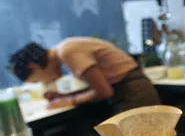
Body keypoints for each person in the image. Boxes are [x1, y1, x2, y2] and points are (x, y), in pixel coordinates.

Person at [8, 37, 161, 114]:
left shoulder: (68, 52)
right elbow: (99, 86)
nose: (46, 82)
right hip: (129, 90)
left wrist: (68, 100)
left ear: (34, 67)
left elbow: (104, 91)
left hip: (135, 93)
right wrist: (63, 96)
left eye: (37, 80)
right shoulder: (65, 49)